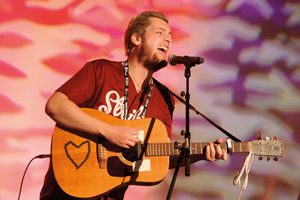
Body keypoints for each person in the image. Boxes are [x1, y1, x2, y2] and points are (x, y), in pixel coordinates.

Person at [40, 11, 227, 200]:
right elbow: (55, 105)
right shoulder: (101, 71)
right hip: (65, 193)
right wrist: (109, 131)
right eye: (160, 33)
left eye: (170, 37)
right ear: (136, 38)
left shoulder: (164, 99)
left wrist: (200, 154)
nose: (168, 40)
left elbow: (161, 155)